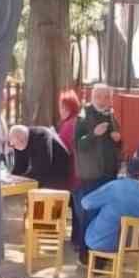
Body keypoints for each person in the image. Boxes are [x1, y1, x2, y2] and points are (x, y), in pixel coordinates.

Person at [74, 85, 124, 252]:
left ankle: (101, 253)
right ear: (92, 97)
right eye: (100, 97)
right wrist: (94, 134)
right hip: (91, 174)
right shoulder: (83, 116)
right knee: (89, 213)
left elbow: (118, 146)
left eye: (106, 97)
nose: (103, 101)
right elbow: (79, 145)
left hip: (109, 174)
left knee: (106, 216)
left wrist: (118, 140)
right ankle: (85, 253)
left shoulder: (111, 116)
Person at [81, 156, 139, 252]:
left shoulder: (114, 186)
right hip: (137, 247)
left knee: (95, 214)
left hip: (104, 243)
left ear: (126, 172)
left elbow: (85, 203)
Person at [8, 122, 73, 189]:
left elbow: (42, 168)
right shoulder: (21, 142)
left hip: (58, 172)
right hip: (45, 174)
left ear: (20, 139)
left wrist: (23, 180)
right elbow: (19, 167)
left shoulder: (41, 136)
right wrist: (10, 180)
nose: (14, 147)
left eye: (14, 145)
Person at [56, 90, 82, 249]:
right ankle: (76, 239)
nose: (60, 110)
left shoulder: (69, 125)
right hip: (77, 172)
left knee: (78, 209)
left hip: (74, 172)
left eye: (62, 107)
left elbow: (63, 147)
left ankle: (78, 241)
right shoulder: (74, 122)